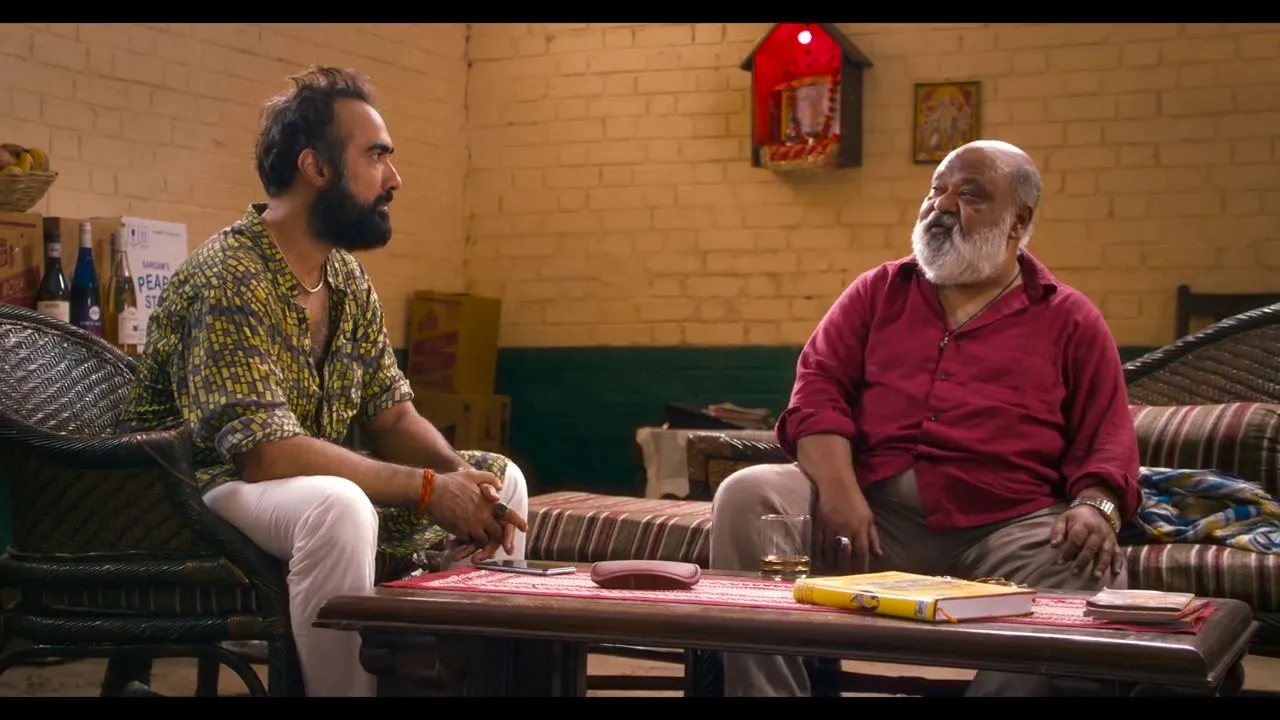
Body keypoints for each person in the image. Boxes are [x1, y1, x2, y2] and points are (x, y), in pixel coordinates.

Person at [109, 65, 530, 697]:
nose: (394, 179)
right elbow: (264, 455)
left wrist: (459, 477)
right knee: (337, 507)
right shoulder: (229, 276)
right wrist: (427, 489)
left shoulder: (345, 278)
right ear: (317, 167)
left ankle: (462, 684)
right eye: (377, 156)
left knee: (502, 481)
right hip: (191, 497)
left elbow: (392, 414)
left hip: (289, 491)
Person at [709, 139, 1142, 697]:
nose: (941, 205)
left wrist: (1096, 507)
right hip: (868, 515)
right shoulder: (877, 291)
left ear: (1018, 220)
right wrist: (839, 493)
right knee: (748, 494)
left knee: (1090, 564)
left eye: (969, 195)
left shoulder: (1069, 318)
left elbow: (1107, 437)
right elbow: (816, 394)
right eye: (936, 189)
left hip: (1007, 527)